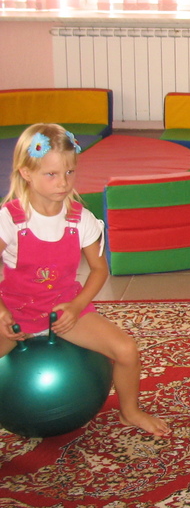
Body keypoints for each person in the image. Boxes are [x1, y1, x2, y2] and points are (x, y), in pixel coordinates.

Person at [0, 124, 170, 437]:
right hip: (16, 313)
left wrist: (77, 306)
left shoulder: (81, 219)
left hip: (65, 310)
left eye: (69, 172)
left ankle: (130, 412)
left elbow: (99, 269)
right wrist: (1, 312)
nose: (63, 182)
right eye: (51, 174)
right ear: (26, 173)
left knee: (127, 350)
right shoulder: (10, 219)